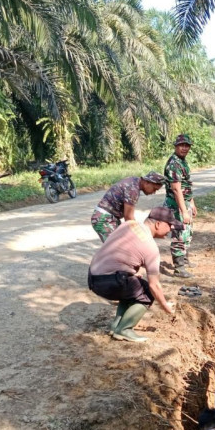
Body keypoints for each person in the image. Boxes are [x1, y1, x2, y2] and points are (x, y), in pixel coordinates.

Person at [87, 207, 180, 342]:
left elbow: (119, 251)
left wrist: (129, 273)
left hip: (93, 278)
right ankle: (124, 329)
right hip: (109, 282)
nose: (171, 229)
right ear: (158, 224)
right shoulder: (150, 247)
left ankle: (116, 326)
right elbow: (155, 285)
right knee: (147, 291)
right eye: (170, 225)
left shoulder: (129, 224)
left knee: (134, 287)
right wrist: (165, 306)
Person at [91, 171, 168, 242]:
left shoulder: (134, 181)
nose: (154, 192)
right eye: (154, 189)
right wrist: (140, 235)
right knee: (117, 248)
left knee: (122, 244)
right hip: (104, 219)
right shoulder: (133, 190)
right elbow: (128, 217)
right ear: (147, 182)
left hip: (109, 217)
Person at [164, 134, 196, 278]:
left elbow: (186, 184)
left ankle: (185, 259)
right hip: (176, 204)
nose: (184, 148)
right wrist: (183, 211)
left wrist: (192, 204)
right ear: (176, 146)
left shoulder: (182, 162)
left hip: (185, 202)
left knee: (187, 233)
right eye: (181, 145)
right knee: (179, 234)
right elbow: (176, 189)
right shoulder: (174, 164)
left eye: (187, 145)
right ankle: (179, 268)